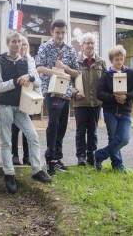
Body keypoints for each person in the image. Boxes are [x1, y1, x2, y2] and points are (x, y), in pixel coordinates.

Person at [0, 31, 51, 194]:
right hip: (4, 106)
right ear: (7, 43)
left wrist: (29, 77)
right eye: (13, 41)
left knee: (33, 136)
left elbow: (38, 81)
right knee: (6, 142)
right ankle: (9, 174)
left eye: (19, 42)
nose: (17, 44)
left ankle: (37, 170)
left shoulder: (26, 61)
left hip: (21, 107)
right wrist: (15, 82)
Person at [35, 19, 79, 176]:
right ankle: (49, 160)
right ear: (51, 32)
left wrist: (65, 69)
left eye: (63, 32)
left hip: (66, 93)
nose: (60, 35)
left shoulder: (70, 49)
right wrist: (56, 72)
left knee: (62, 126)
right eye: (57, 32)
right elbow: (39, 68)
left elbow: (76, 72)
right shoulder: (45, 47)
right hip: (51, 91)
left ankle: (57, 157)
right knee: (53, 124)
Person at [94, 45, 133, 173]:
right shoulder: (106, 75)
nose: (119, 62)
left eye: (121, 59)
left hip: (125, 111)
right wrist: (114, 98)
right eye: (116, 59)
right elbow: (99, 93)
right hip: (110, 112)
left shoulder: (130, 73)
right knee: (113, 138)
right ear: (111, 60)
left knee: (124, 139)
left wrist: (127, 96)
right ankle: (117, 165)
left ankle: (100, 155)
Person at [73, 33, 107, 166]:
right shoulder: (75, 62)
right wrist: (75, 93)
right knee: (80, 131)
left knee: (93, 131)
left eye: (92, 43)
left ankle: (91, 155)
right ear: (82, 46)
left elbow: (106, 82)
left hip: (95, 103)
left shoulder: (101, 62)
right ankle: (80, 156)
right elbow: (69, 82)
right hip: (80, 102)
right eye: (87, 43)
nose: (90, 45)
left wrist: (104, 96)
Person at [11, 35, 38, 166]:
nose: (22, 47)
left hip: (28, 98)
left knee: (28, 129)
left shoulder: (31, 61)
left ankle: (27, 156)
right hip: (15, 99)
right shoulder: (13, 60)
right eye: (21, 44)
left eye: (25, 45)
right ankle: (14, 154)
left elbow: (37, 80)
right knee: (14, 128)